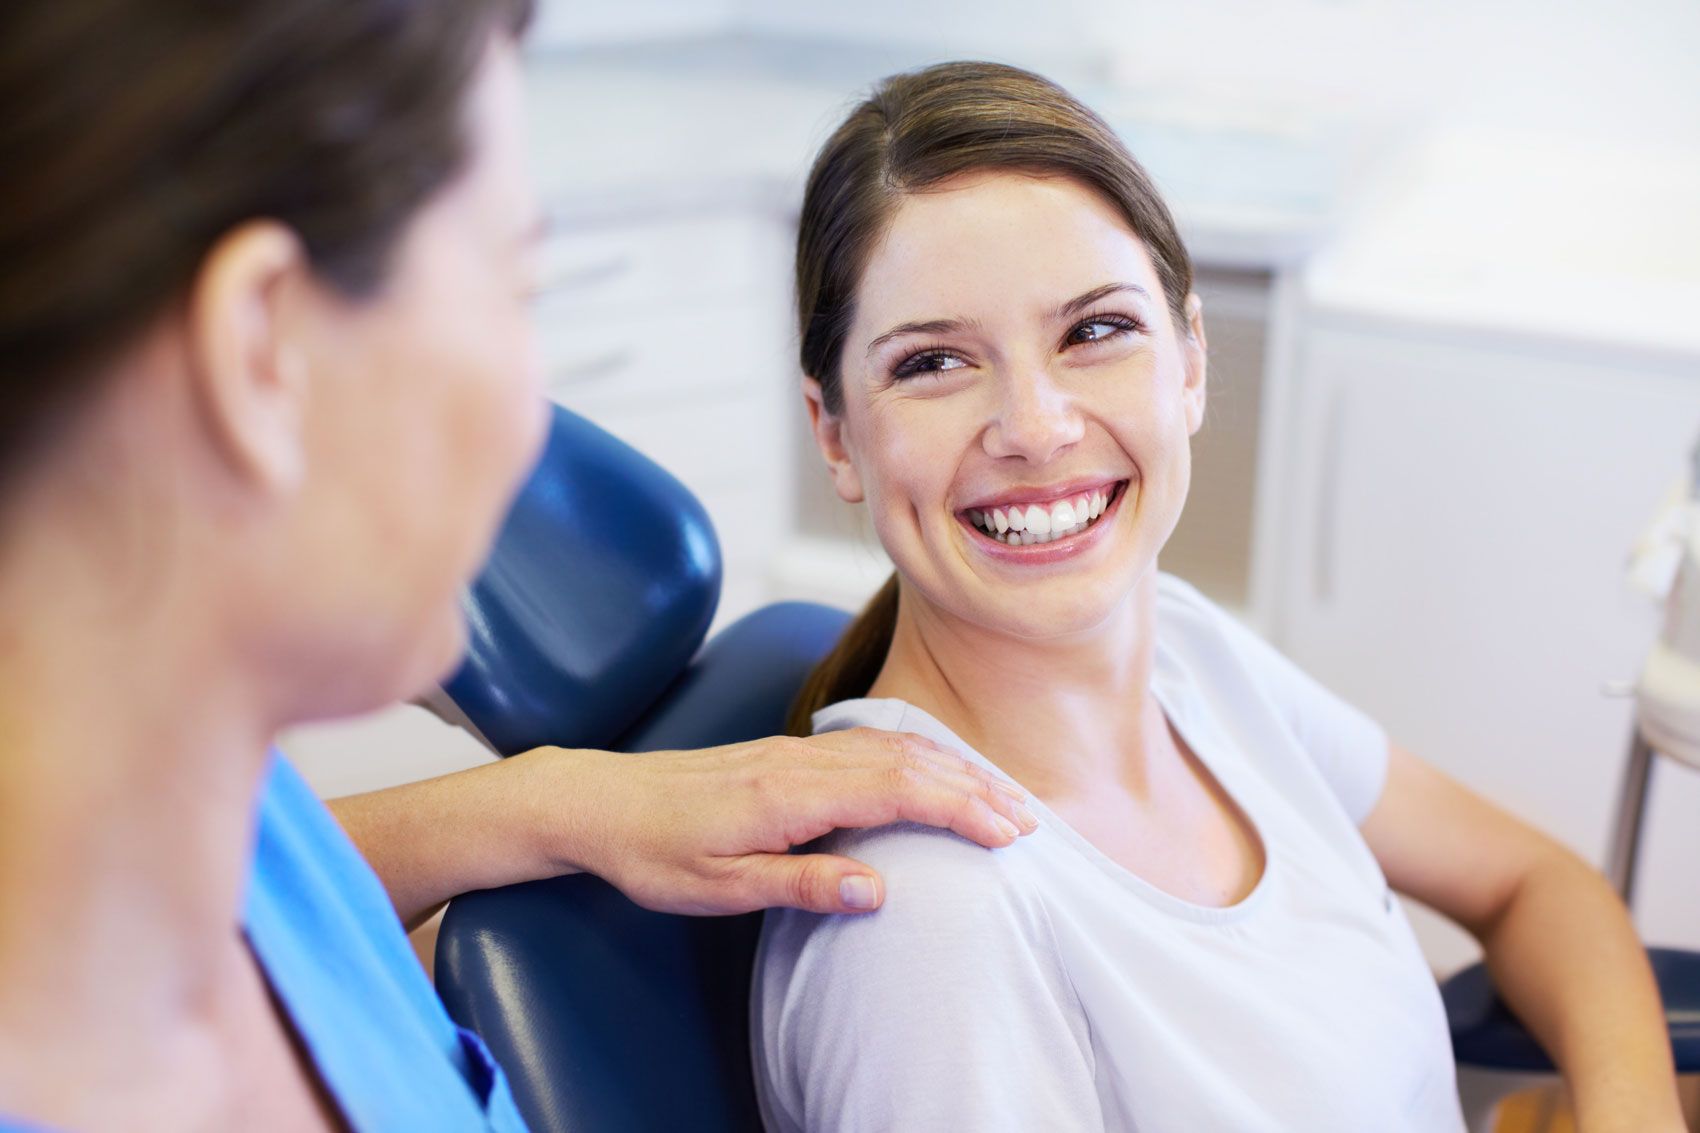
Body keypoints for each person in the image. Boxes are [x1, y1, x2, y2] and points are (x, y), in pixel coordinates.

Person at [0, 5, 1039, 1130]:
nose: (531, 429)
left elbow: (289, 873)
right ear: (261, 353)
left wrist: (548, 803)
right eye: (511, 290)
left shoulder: (202, 808)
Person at [752, 60, 1683, 1133]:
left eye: (1093, 330)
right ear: (835, 434)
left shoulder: (1191, 655)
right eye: (932, 362)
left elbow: (1532, 880)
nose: (1036, 425)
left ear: (1189, 358)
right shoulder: (926, 926)